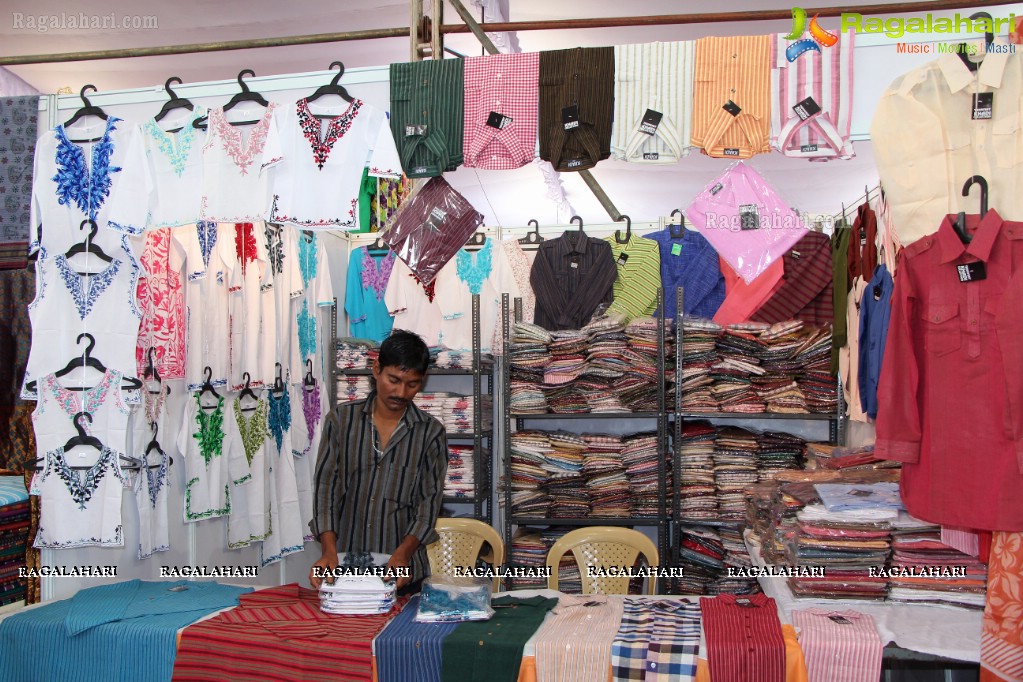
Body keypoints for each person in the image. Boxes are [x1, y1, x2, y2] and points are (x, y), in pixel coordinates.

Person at [309, 329, 447, 593]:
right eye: (394, 380)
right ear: (376, 370)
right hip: (346, 570)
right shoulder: (341, 421)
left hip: (405, 574)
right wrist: (328, 551)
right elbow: (326, 490)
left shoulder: (430, 433)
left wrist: (404, 554)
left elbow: (428, 505)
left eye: (412, 384)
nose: (401, 392)